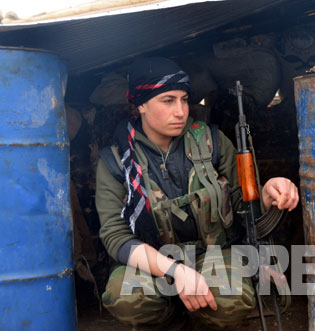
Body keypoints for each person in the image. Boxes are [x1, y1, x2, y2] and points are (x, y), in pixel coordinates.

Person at [95, 57, 299, 330]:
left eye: (183, 99)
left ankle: (204, 321)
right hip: (153, 260)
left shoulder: (213, 142)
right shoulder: (116, 161)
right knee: (127, 296)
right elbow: (116, 236)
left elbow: (242, 204)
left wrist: (268, 192)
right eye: (167, 100)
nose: (180, 111)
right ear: (141, 104)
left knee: (231, 297)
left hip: (214, 253)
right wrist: (176, 271)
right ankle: (171, 319)